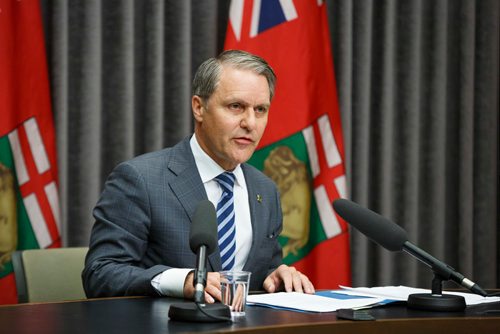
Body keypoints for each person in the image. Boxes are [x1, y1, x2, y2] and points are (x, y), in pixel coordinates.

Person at [82, 50, 315, 303]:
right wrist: (180, 281)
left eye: (260, 110)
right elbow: (101, 273)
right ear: (199, 107)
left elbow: (259, 271)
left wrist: (276, 275)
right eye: (236, 106)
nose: (250, 123)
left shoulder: (265, 190)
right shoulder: (140, 179)